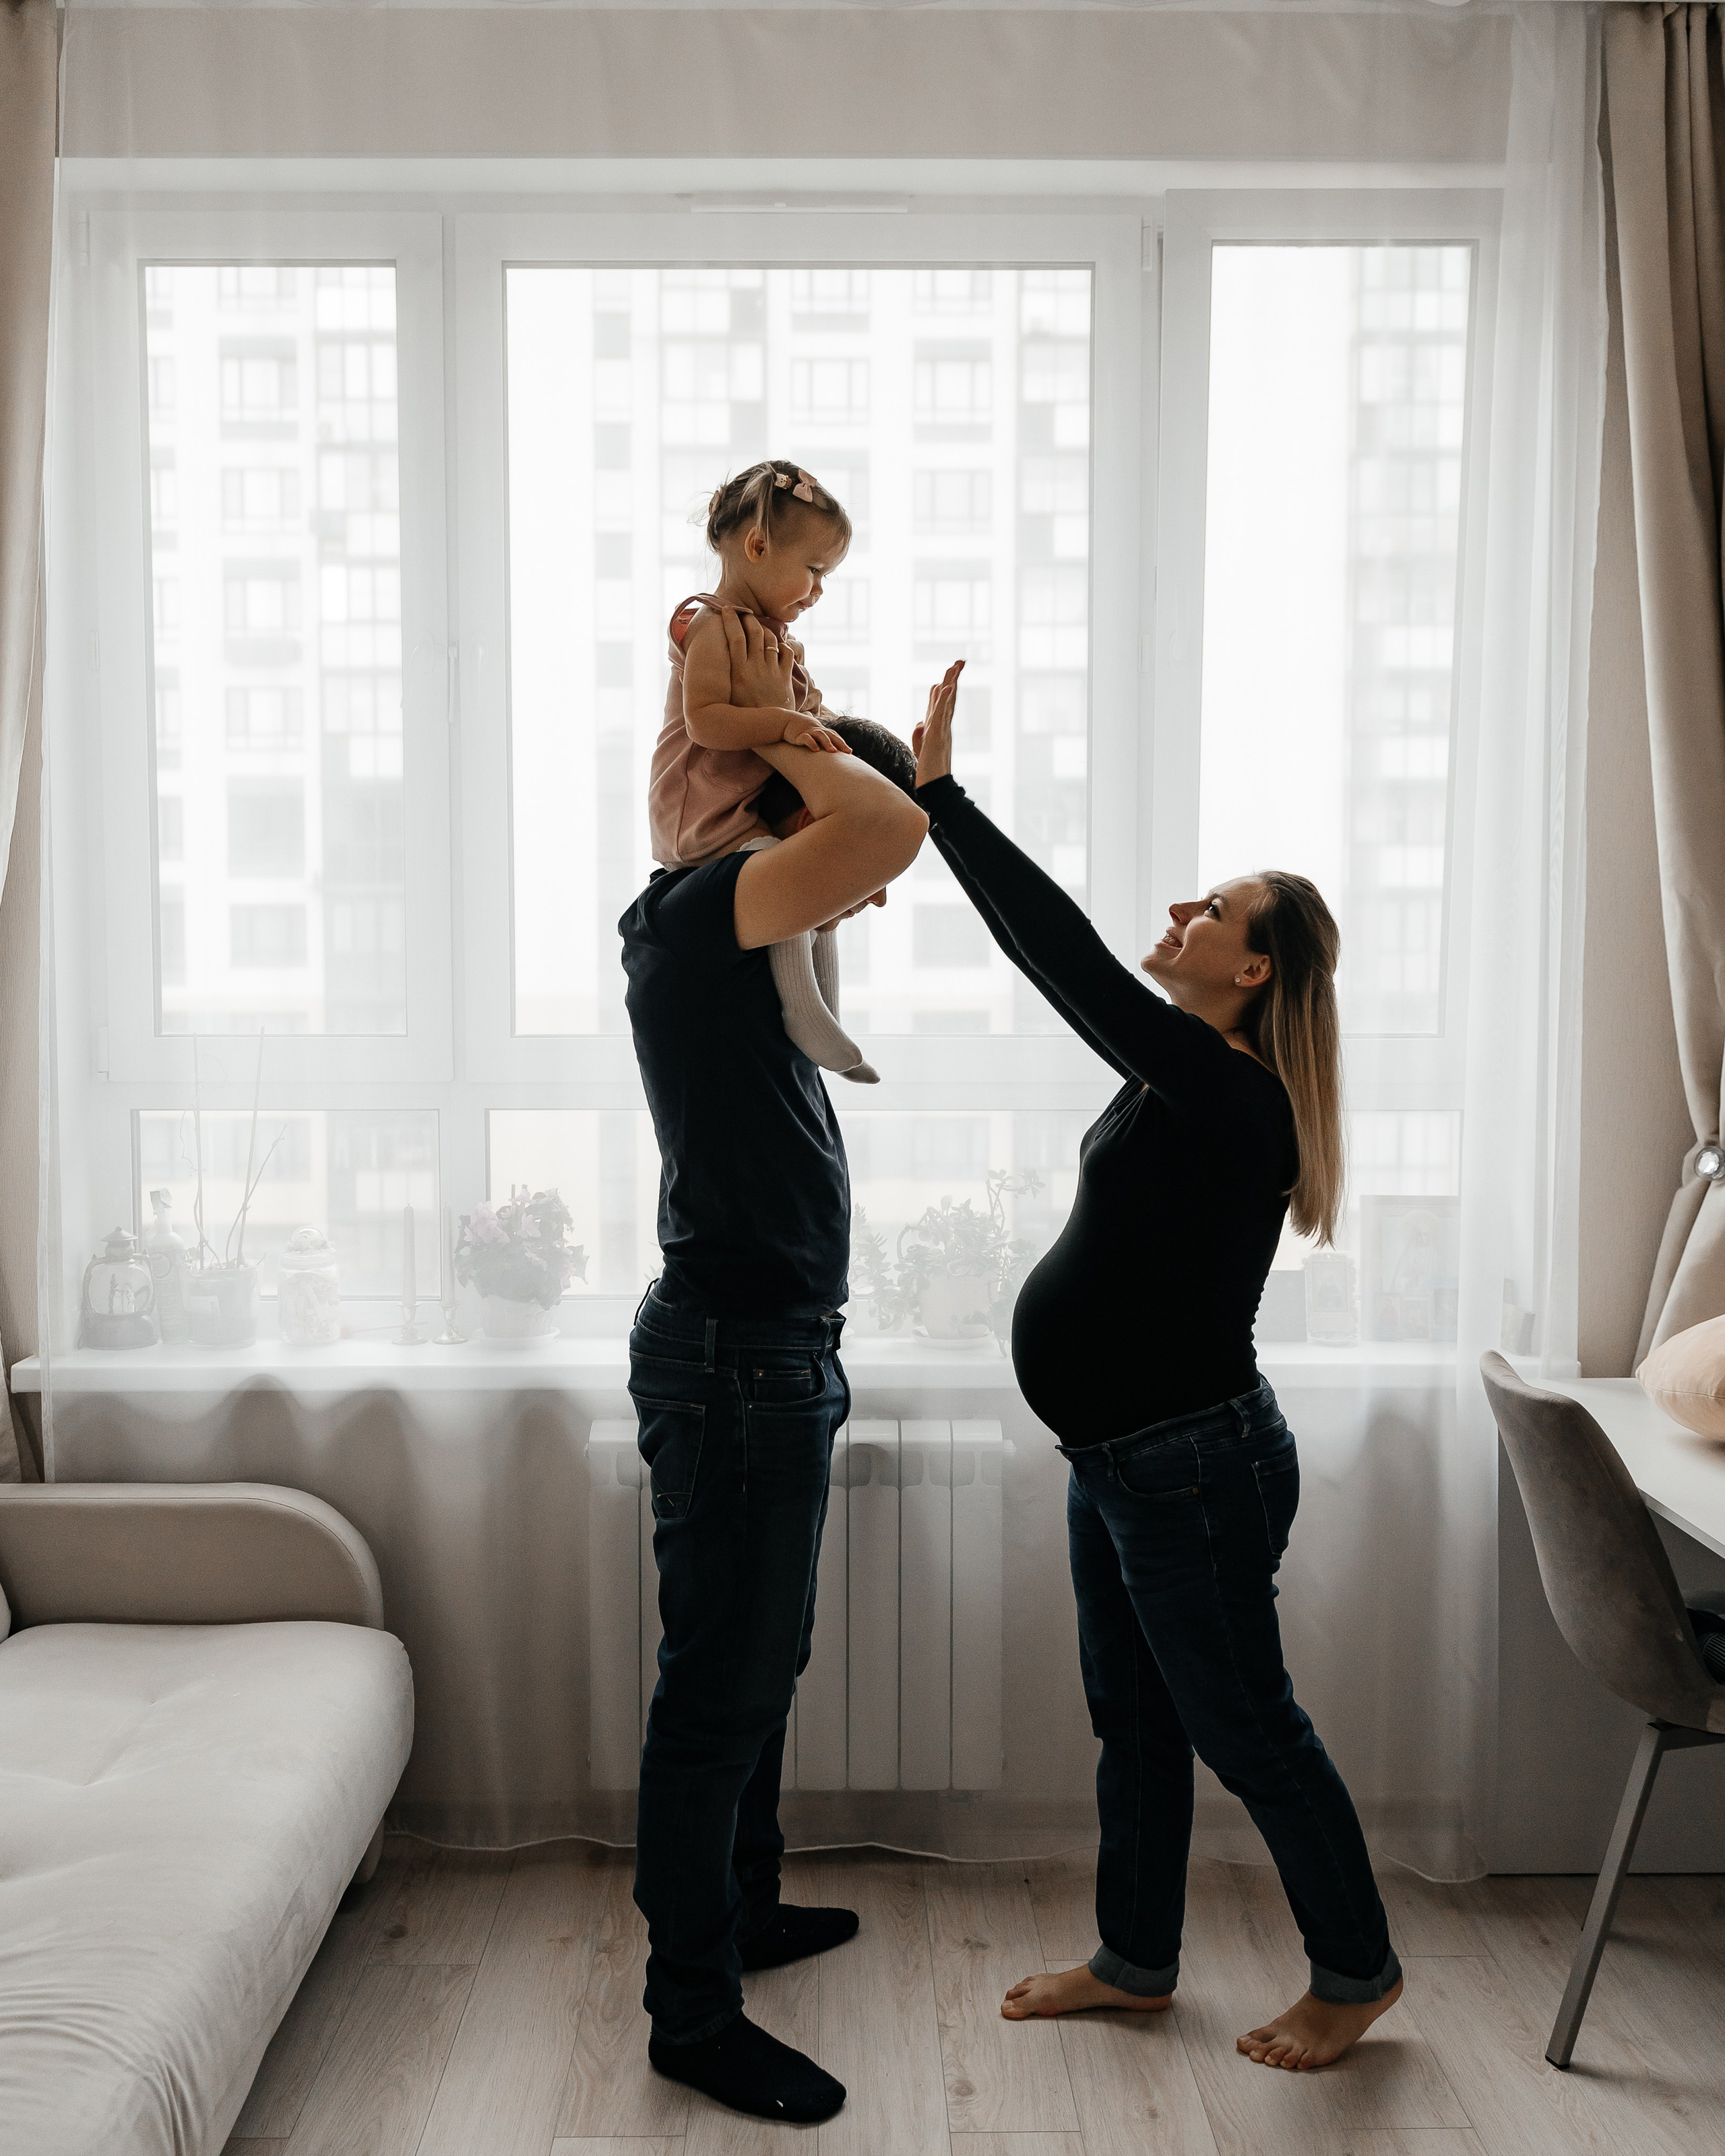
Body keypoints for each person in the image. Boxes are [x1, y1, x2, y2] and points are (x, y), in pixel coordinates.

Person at [910, 664, 1403, 2073]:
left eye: (1213, 910)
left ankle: (1355, 1969)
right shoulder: (1184, 1072)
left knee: (1247, 1728)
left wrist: (942, 801)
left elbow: (1054, 953)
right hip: (1125, 1456)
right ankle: (1135, 1959)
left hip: (1187, 1464)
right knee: (1132, 1717)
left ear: (1251, 971)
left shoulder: (1225, 1089)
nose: (1182, 911)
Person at [619, 610, 927, 2125]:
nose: (866, 900)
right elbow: (890, 827)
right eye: (849, 871)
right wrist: (813, 736)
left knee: (762, 1666)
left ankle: (743, 1906)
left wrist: (851, 764)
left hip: (771, 1354)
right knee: (716, 1692)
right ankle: (692, 2012)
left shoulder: (747, 935)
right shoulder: (701, 906)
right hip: (736, 1362)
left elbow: (887, 836)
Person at [650, 458, 877, 1081]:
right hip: (699, 811)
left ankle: (827, 1012)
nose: (819, 590)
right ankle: (804, 1015)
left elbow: (807, 710)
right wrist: (782, 722)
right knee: (778, 866)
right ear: (756, 546)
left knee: (814, 879)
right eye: (814, 570)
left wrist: (817, 721)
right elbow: (707, 722)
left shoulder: (774, 637)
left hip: (741, 807)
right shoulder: (708, 622)